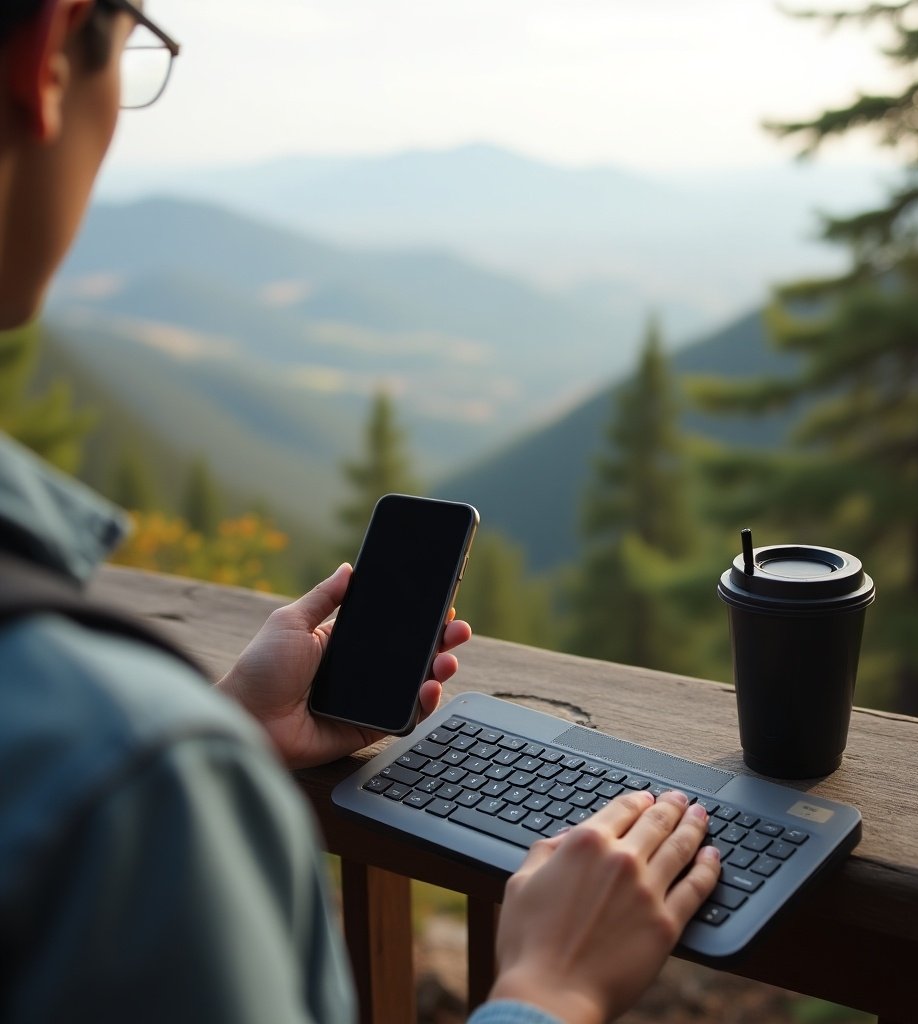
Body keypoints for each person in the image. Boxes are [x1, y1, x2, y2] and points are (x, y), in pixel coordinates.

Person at [0, 2, 721, 1022]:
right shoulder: (126, 781)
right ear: (47, 60)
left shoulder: (126, 758)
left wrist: (232, 732)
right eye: (131, 50)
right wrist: (546, 990)